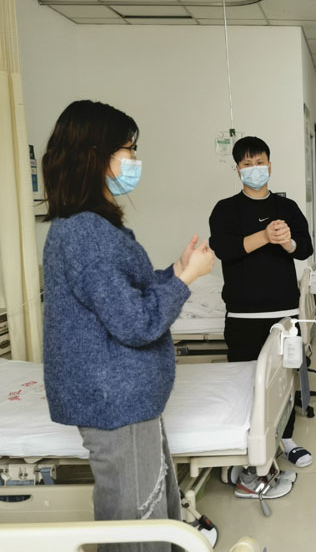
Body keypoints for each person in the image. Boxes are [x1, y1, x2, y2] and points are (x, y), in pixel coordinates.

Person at [42, 100, 214, 551]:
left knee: (151, 511)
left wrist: (174, 270)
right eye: (129, 149)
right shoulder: (85, 233)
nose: (135, 160)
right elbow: (136, 322)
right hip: (115, 401)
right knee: (135, 526)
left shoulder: (87, 227)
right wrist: (186, 280)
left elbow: (123, 293)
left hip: (126, 400)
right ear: (96, 155)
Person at [209, 136, 314, 500]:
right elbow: (225, 249)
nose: (255, 169)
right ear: (237, 169)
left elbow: (304, 248)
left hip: (284, 311)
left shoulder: (287, 207)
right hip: (242, 312)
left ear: (270, 165)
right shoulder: (226, 210)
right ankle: (245, 451)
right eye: (247, 163)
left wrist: (286, 242)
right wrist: (266, 236)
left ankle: (286, 439)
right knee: (244, 384)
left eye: (260, 162)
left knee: (284, 382)